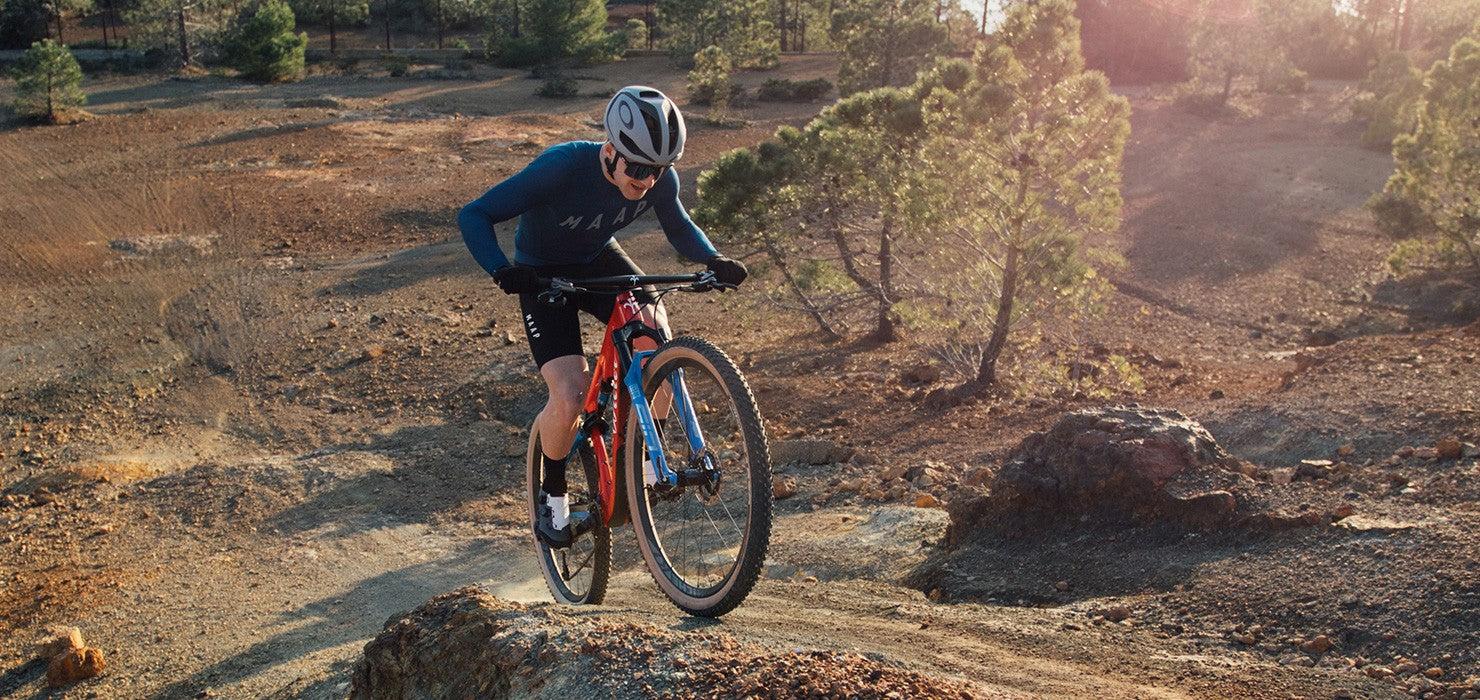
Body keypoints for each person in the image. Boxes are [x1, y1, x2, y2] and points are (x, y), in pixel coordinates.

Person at [459, 85, 748, 548]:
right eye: (638, 168)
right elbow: (474, 214)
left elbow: (678, 226)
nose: (647, 181)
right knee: (571, 396)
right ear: (610, 151)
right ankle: (553, 494)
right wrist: (502, 270)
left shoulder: (658, 179)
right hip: (541, 275)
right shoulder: (562, 167)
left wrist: (713, 258)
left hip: (598, 260)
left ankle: (645, 461)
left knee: (657, 338)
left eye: (658, 170)